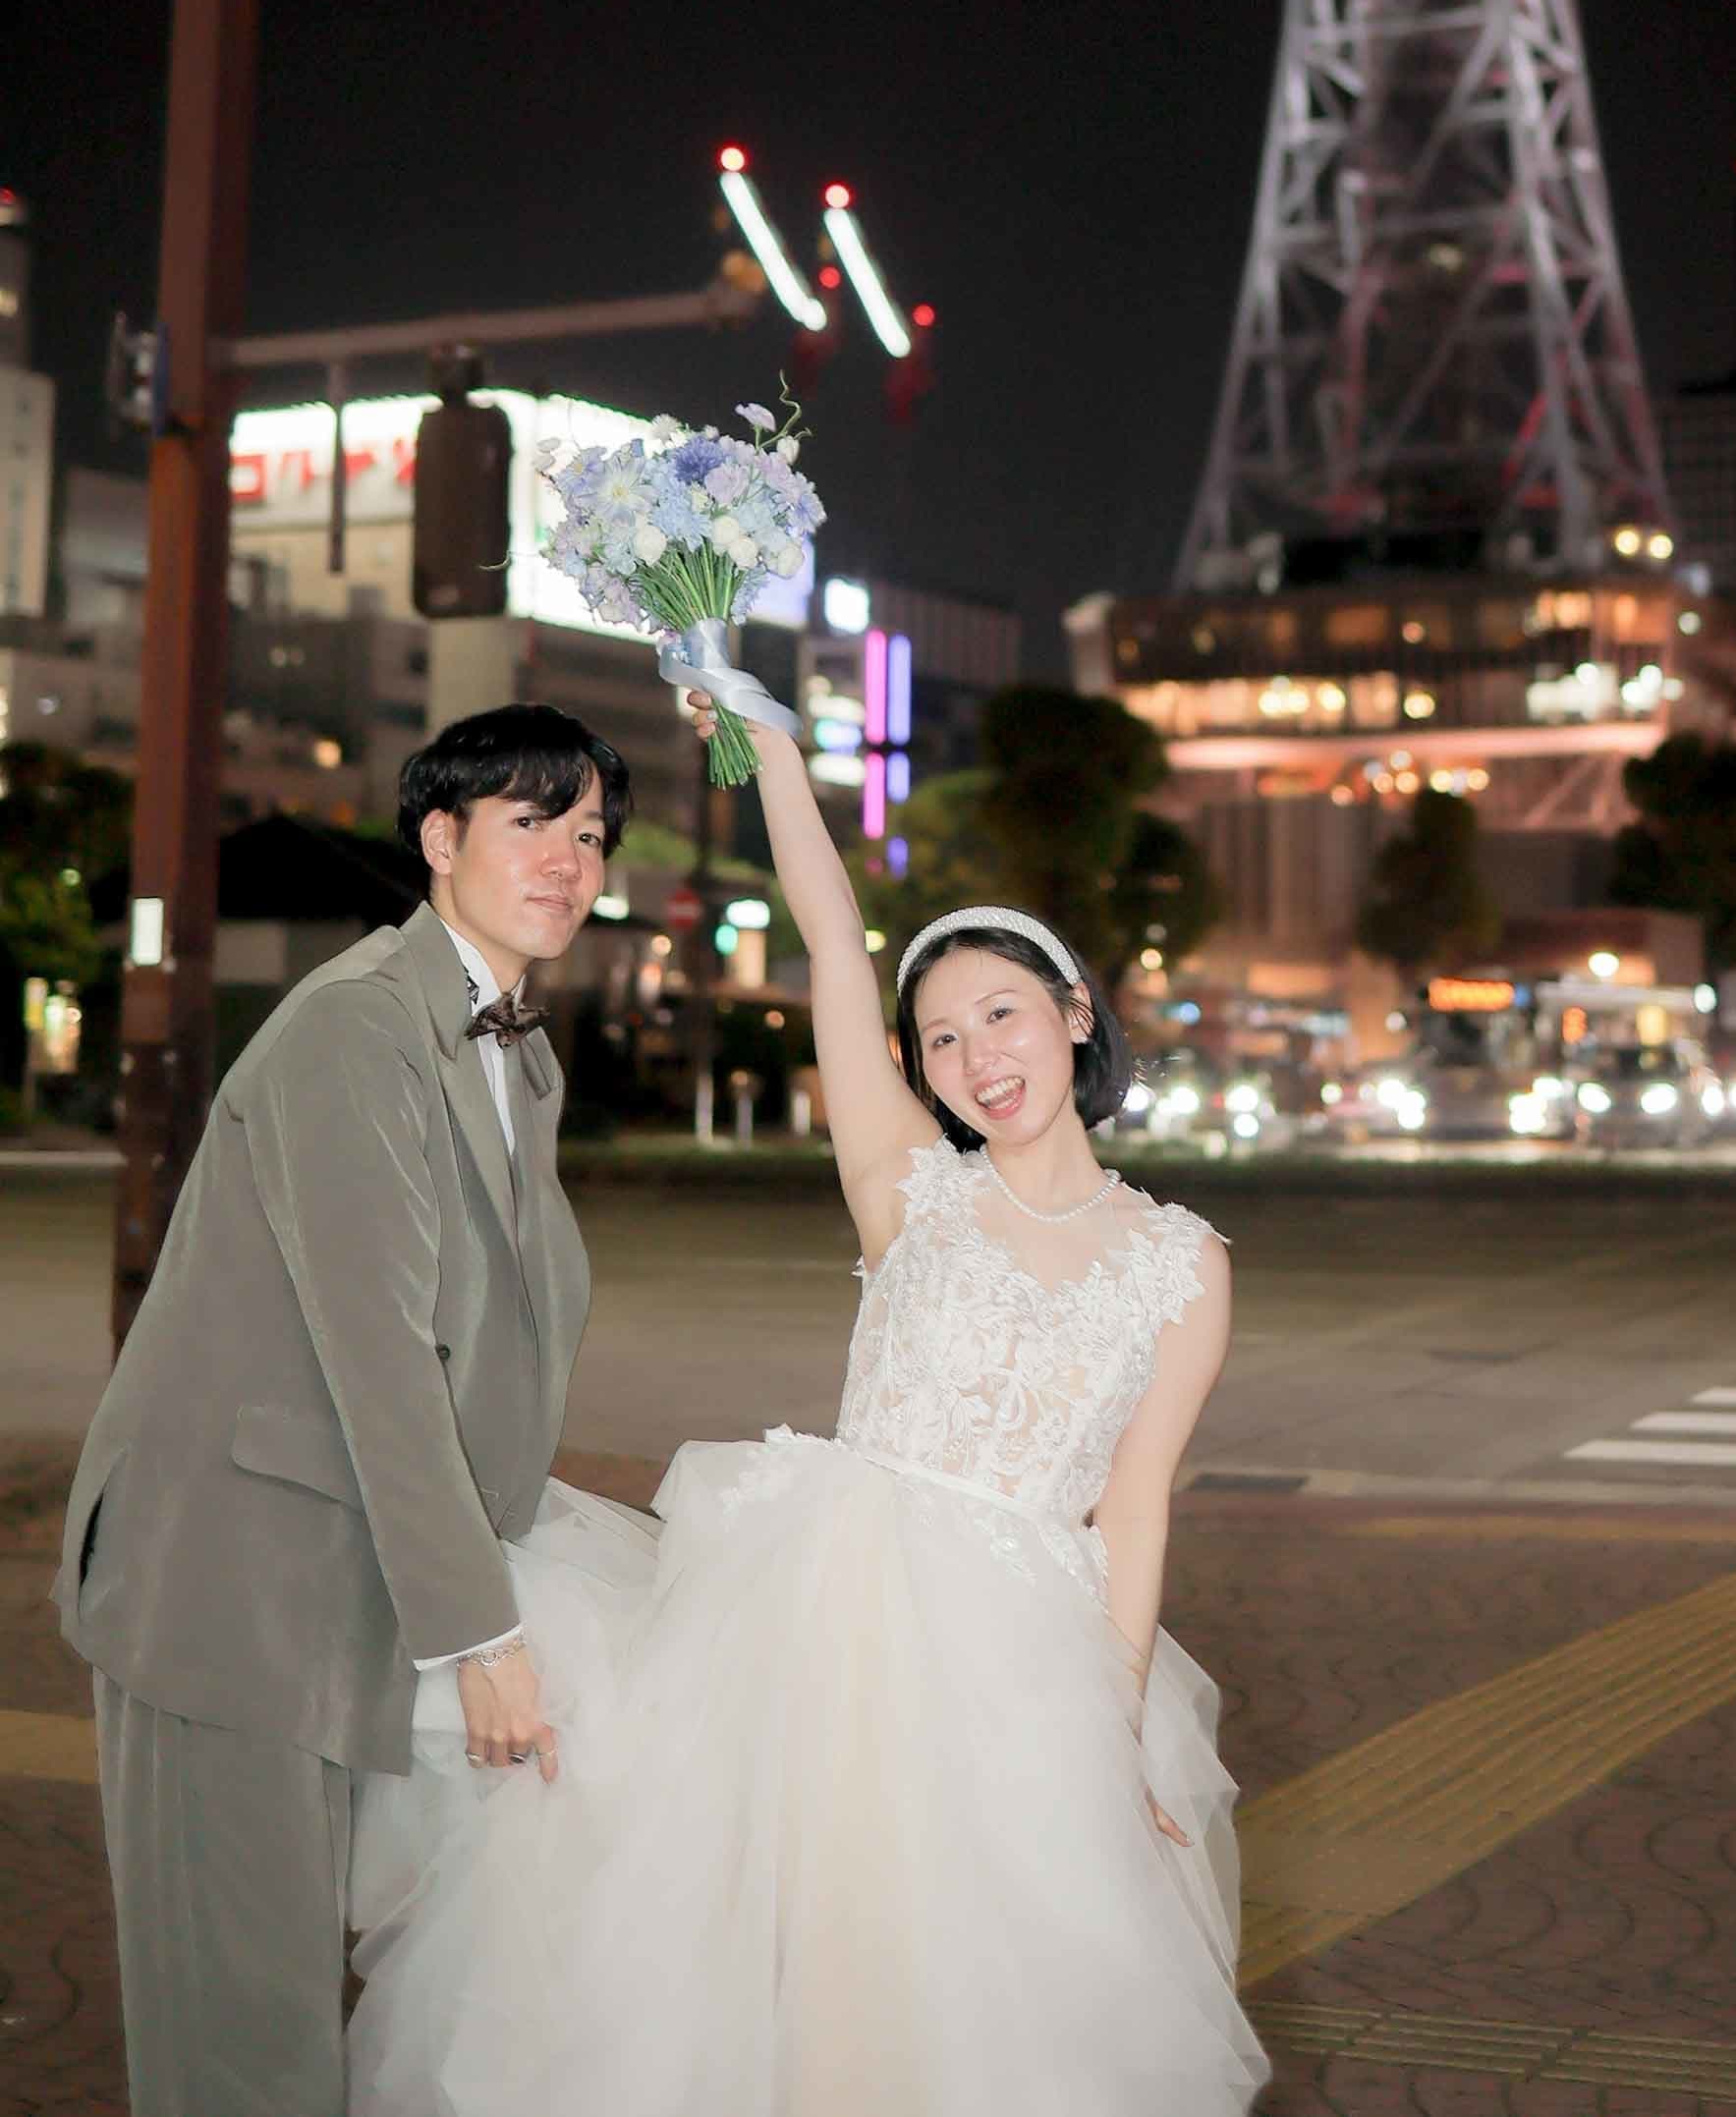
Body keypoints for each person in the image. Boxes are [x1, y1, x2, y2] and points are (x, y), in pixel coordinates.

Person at [344, 697, 1267, 2117]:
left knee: (973, 1995)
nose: (976, 1059)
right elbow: (835, 943)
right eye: (942, 1038)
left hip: (1020, 1661)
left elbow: (1133, 1505)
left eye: (1002, 1015)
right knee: (775, 1956)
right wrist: (773, 750)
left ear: (1075, 1015)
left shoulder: (1179, 1264)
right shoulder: (909, 1187)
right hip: (815, 1619)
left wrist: (1116, 1723)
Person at [54, 703, 626, 2117]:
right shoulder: (356, 1030)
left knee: (306, 2023)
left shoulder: (512, 1055)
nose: (568, 859)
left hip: (342, 1579)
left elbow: (488, 1349)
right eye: (529, 821)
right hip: (226, 1580)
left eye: (591, 832)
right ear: (438, 839)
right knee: (240, 2040)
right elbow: (379, 1351)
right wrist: (482, 1629)